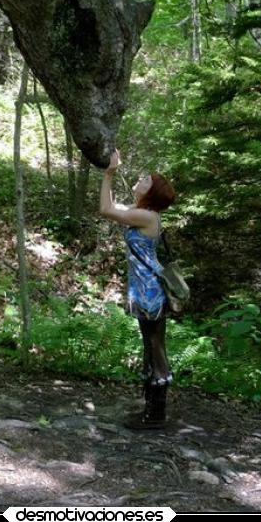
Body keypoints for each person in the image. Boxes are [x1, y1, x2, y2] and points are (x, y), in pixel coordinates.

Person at [98, 149, 176, 429]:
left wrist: (109, 172)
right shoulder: (143, 214)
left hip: (150, 295)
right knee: (151, 348)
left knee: (155, 349)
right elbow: (111, 207)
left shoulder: (146, 216)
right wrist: (110, 175)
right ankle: (151, 410)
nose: (142, 179)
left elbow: (106, 210)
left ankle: (156, 416)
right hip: (145, 293)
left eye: (147, 180)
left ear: (151, 193)